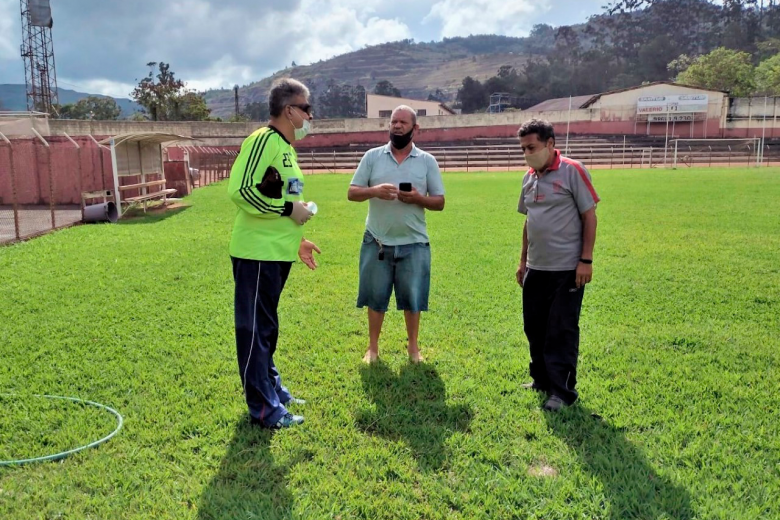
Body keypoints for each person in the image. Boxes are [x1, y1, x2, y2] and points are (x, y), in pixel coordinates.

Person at [227, 78, 321, 429]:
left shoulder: (287, 149)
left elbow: (287, 201)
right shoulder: (262, 141)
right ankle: (264, 410)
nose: (310, 116)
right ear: (289, 110)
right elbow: (241, 192)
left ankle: (274, 391)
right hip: (256, 252)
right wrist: (287, 211)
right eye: (307, 109)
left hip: (276, 252)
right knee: (254, 330)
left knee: (267, 328)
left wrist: (297, 237)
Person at [348, 105, 445, 364]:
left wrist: (417, 198)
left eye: (403, 122)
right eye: (393, 122)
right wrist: (374, 191)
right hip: (377, 241)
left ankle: (413, 348)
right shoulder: (372, 157)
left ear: (415, 128)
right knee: (375, 296)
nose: (397, 126)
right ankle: (373, 348)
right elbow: (352, 192)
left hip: (414, 243)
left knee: (413, 298)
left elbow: (439, 202)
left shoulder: (426, 161)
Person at [516, 118, 599, 412]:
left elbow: (589, 216)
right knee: (534, 327)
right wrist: (523, 260)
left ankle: (562, 392)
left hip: (567, 269)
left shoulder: (572, 171)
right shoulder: (528, 178)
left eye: (532, 147)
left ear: (550, 143)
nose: (527, 153)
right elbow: (529, 221)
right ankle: (540, 379)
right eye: (523, 148)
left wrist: (585, 260)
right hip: (536, 269)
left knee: (560, 329)